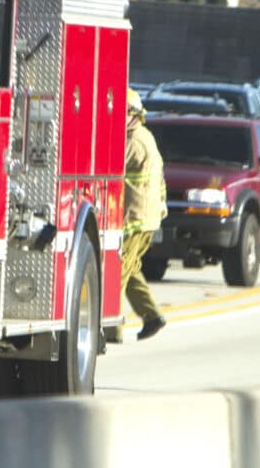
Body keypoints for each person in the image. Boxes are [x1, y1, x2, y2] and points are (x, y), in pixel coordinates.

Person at [114, 87, 168, 342]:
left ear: (135, 114)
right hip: (147, 219)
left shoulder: (132, 141)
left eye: (122, 113)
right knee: (132, 268)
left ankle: (109, 329)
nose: (117, 118)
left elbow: (111, 167)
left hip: (134, 221)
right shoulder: (147, 136)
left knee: (117, 273)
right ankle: (151, 315)